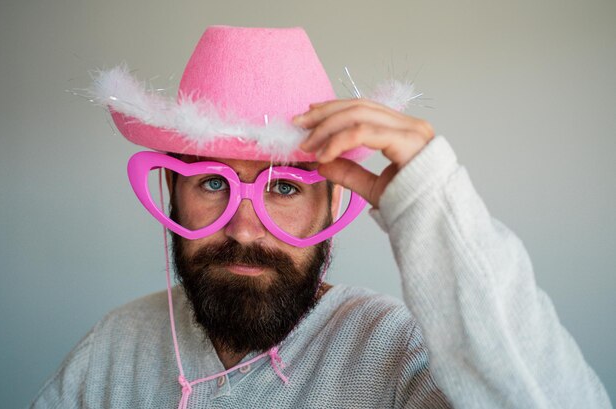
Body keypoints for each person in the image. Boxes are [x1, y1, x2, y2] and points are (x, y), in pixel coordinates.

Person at [31, 25, 611, 409]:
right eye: (213, 183)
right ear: (170, 189)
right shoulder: (113, 351)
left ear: (332, 201)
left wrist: (433, 203)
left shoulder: (397, 357)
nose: (243, 227)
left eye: (284, 186)